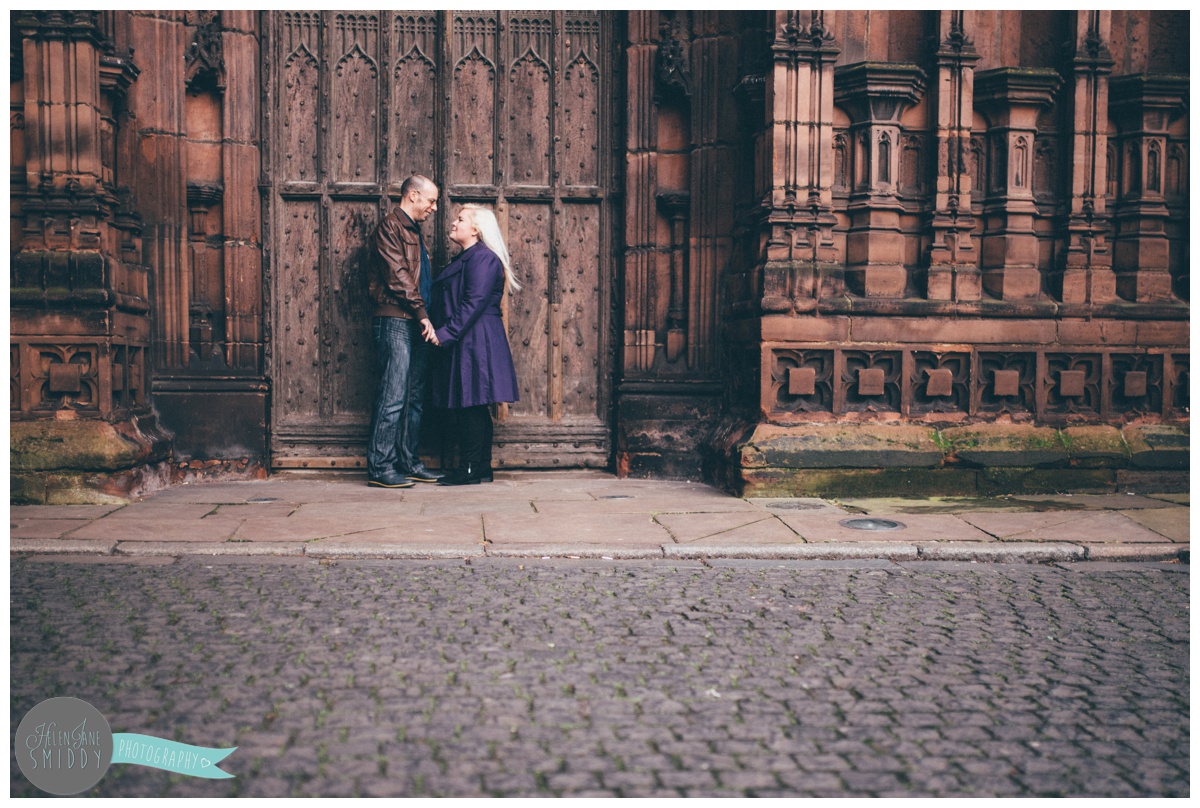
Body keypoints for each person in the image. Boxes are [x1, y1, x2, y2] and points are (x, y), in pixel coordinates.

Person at [429, 205, 521, 485]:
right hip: (470, 337)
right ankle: (480, 467)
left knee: (470, 403)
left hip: (474, 338)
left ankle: (470, 468)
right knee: (474, 404)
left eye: (460, 219)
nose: (453, 223)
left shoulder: (482, 259)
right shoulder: (472, 258)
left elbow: (473, 304)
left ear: (476, 229)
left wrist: (444, 334)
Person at [366, 175, 445, 488]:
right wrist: (423, 314)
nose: (434, 208)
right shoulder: (390, 228)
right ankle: (380, 467)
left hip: (414, 321)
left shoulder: (413, 231)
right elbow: (398, 277)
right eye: (431, 200)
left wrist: (424, 317)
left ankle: (407, 461)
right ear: (413, 196)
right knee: (393, 395)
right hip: (396, 320)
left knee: (412, 398)